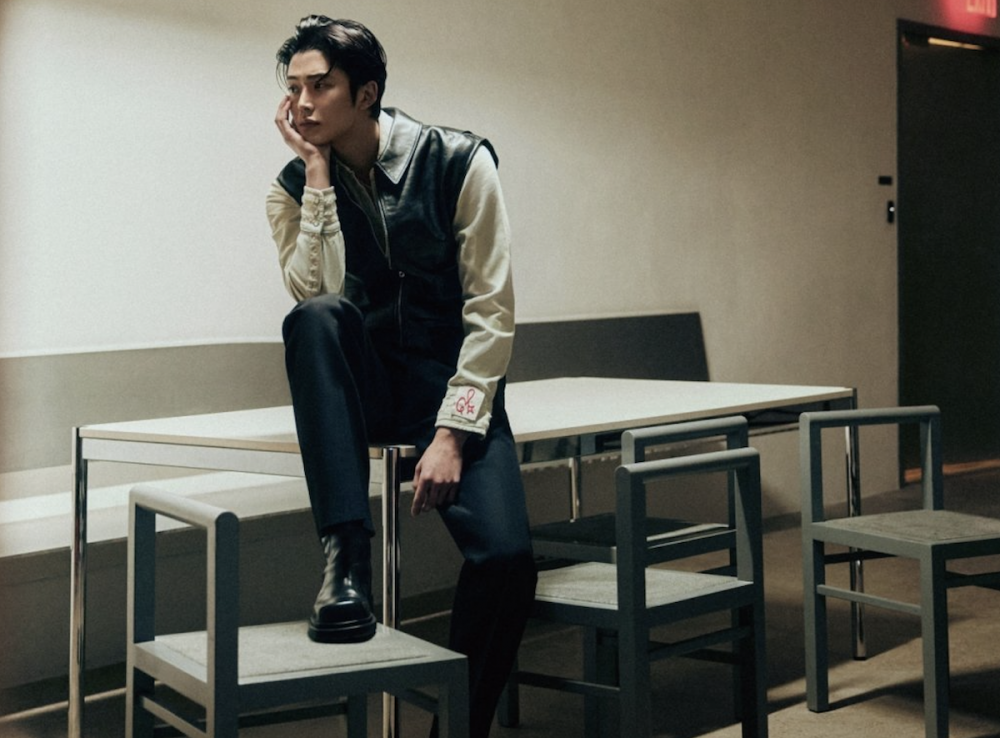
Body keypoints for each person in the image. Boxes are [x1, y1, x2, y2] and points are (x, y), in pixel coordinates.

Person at [265, 15, 538, 738]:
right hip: (367, 392)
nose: (302, 104)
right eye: (293, 88)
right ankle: (344, 563)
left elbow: (491, 309)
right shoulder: (291, 189)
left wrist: (453, 432)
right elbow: (317, 297)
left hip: (450, 392)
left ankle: (459, 727)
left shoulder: (459, 162)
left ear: (367, 93)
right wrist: (317, 178)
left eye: (321, 86)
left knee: (508, 560)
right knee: (315, 318)